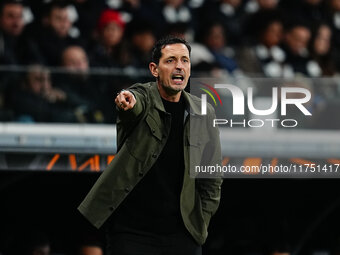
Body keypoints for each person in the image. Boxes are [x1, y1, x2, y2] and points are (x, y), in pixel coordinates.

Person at [78, 36, 223, 254]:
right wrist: (127, 101)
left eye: (185, 60)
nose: (179, 66)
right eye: (171, 60)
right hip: (133, 233)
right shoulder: (143, 96)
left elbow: (211, 174)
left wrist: (202, 218)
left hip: (182, 233)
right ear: (154, 69)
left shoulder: (204, 112)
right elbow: (134, 103)